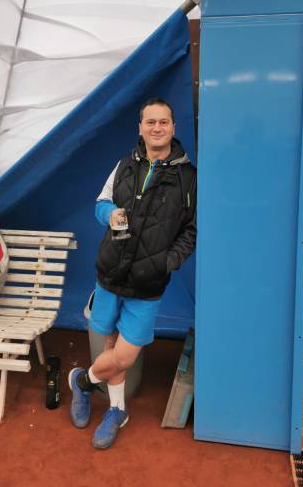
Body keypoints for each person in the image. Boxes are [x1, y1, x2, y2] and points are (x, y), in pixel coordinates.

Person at [69, 97, 197, 449]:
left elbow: (191, 231)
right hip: (110, 274)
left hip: (148, 283)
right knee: (110, 345)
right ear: (140, 127)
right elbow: (100, 203)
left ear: (173, 127)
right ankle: (117, 411)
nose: (157, 127)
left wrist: (167, 262)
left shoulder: (189, 178)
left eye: (164, 121)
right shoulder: (124, 165)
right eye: (150, 122)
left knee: (124, 356)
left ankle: (82, 381)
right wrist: (109, 213)